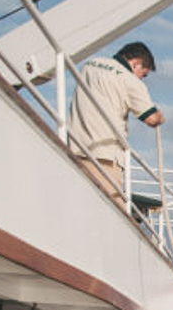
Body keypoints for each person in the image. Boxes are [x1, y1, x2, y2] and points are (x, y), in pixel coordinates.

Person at [67, 42, 165, 209]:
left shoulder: (90, 65)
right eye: (144, 74)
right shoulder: (130, 81)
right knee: (112, 209)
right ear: (136, 63)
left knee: (76, 201)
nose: (142, 78)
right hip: (105, 154)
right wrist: (160, 116)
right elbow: (152, 119)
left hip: (74, 147)